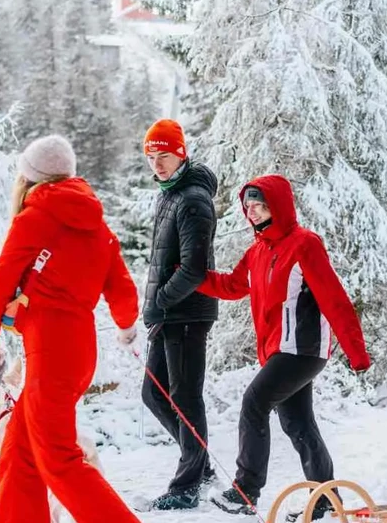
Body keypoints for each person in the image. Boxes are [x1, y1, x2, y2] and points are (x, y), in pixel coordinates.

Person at [0, 135, 142, 523]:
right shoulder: (98, 226)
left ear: (31, 178)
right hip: (79, 353)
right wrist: (126, 327)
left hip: (50, 353)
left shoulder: (35, 218)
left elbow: (1, 278)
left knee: (59, 462)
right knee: (20, 452)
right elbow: (123, 290)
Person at [197, 175, 372, 520]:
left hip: (302, 349)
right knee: (299, 424)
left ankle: (245, 492)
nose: (254, 213)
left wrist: (357, 353)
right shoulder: (258, 251)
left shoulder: (304, 244)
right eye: (249, 207)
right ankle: (326, 499)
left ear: (278, 205)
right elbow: (233, 285)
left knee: (254, 402)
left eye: (260, 205)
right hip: (280, 350)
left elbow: (334, 298)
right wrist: (192, 277)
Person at [140, 118, 221, 510]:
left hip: (187, 313)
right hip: (169, 314)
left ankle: (187, 485)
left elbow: (194, 268)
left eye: (164, 155)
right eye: (152, 156)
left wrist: (160, 302)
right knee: (153, 393)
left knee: (185, 397)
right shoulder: (169, 193)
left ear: (181, 154)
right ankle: (199, 463)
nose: (157, 163)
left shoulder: (192, 199)